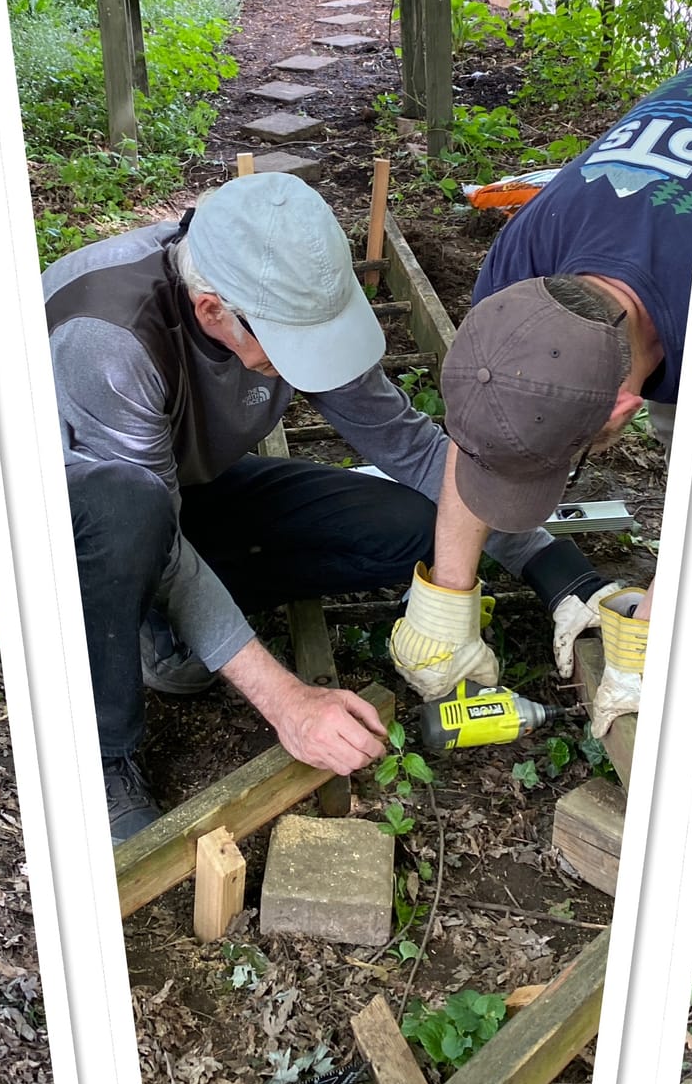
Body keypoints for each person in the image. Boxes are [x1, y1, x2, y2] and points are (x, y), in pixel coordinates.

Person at [44, 170, 627, 841]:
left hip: (180, 495)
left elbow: (407, 446)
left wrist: (553, 567)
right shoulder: (109, 340)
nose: (308, 364)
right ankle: (104, 755)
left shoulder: (285, 288)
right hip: (82, 523)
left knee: (418, 531)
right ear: (211, 312)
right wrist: (285, 699)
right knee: (130, 516)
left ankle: (172, 628)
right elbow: (148, 527)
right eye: (291, 350)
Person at [418, 59, 692, 731]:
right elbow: (481, 427)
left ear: (622, 408)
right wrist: (447, 605)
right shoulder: (517, 268)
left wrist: (649, 643)